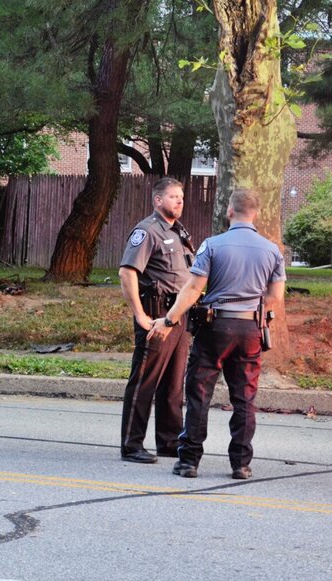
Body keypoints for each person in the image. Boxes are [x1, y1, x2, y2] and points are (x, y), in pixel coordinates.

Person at [147, 189, 286, 480]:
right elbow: (275, 296)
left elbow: (194, 288)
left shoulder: (212, 245)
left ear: (229, 211)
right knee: (244, 398)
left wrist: (169, 319)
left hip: (214, 328)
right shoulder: (272, 250)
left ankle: (189, 462)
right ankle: (241, 464)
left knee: (199, 394)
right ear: (256, 213)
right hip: (250, 330)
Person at [118, 177, 195, 464]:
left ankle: (168, 441)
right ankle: (131, 444)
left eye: (181, 197)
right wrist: (140, 315)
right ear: (158, 200)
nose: (179, 201)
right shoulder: (147, 231)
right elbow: (127, 273)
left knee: (174, 383)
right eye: (173, 196)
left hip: (179, 315)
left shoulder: (179, 232)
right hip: (157, 313)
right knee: (144, 380)